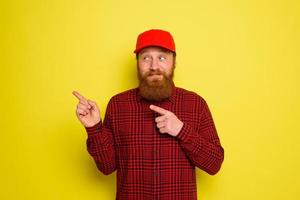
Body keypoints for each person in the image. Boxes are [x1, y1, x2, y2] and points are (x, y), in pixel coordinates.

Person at [73, 29, 224, 200]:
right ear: (137, 63)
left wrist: (182, 130)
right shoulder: (118, 105)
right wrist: (94, 128)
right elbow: (107, 167)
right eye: (146, 58)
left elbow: (215, 164)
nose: (154, 66)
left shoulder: (195, 104)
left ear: (173, 62)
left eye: (162, 58)